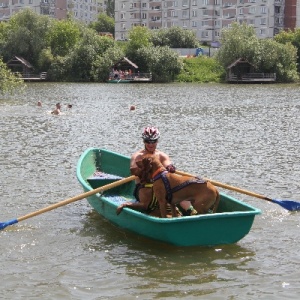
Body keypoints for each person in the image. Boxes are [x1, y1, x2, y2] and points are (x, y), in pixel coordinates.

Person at [116, 126, 197, 216]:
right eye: (148, 141)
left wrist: (170, 167)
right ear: (143, 141)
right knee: (149, 201)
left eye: (153, 141)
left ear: (157, 141)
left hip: (161, 187)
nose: (150, 144)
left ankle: (191, 211)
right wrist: (143, 168)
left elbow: (167, 163)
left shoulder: (161, 155)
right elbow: (133, 171)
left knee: (179, 189)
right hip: (144, 187)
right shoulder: (137, 156)